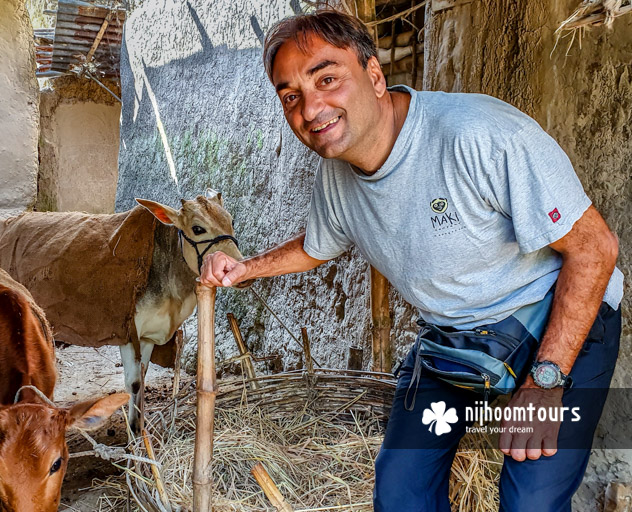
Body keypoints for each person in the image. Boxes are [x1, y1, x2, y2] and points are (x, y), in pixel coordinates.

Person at [199, 10, 623, 512]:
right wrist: (247, 268)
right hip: (454, 341)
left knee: (529, 500)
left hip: (555, 322)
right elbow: (318, 244)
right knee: (401, 493)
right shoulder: (338, 174)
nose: (311, 109)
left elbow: (595, 248)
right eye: (291, 96)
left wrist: (545, 383)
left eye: (327, 79)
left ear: (374, 76)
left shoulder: (482, 137)